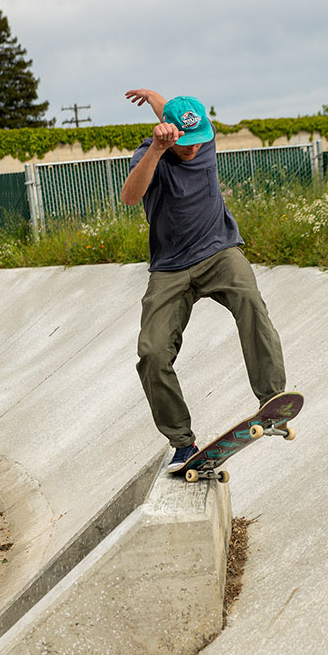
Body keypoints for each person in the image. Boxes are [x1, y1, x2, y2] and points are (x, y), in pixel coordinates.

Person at [122, 88, 287, 470]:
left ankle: (271, 399)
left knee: (250, 302)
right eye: (185, 143)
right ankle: (182, 441)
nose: (194, 149)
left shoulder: (204, 137)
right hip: (170, 267)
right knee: (152, 353)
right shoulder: (151, 153)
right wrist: (157, 151)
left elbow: (179, 112)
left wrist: (152, 96)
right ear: (170, 134)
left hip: (219, 251)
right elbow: (131, 197)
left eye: (199, 141)